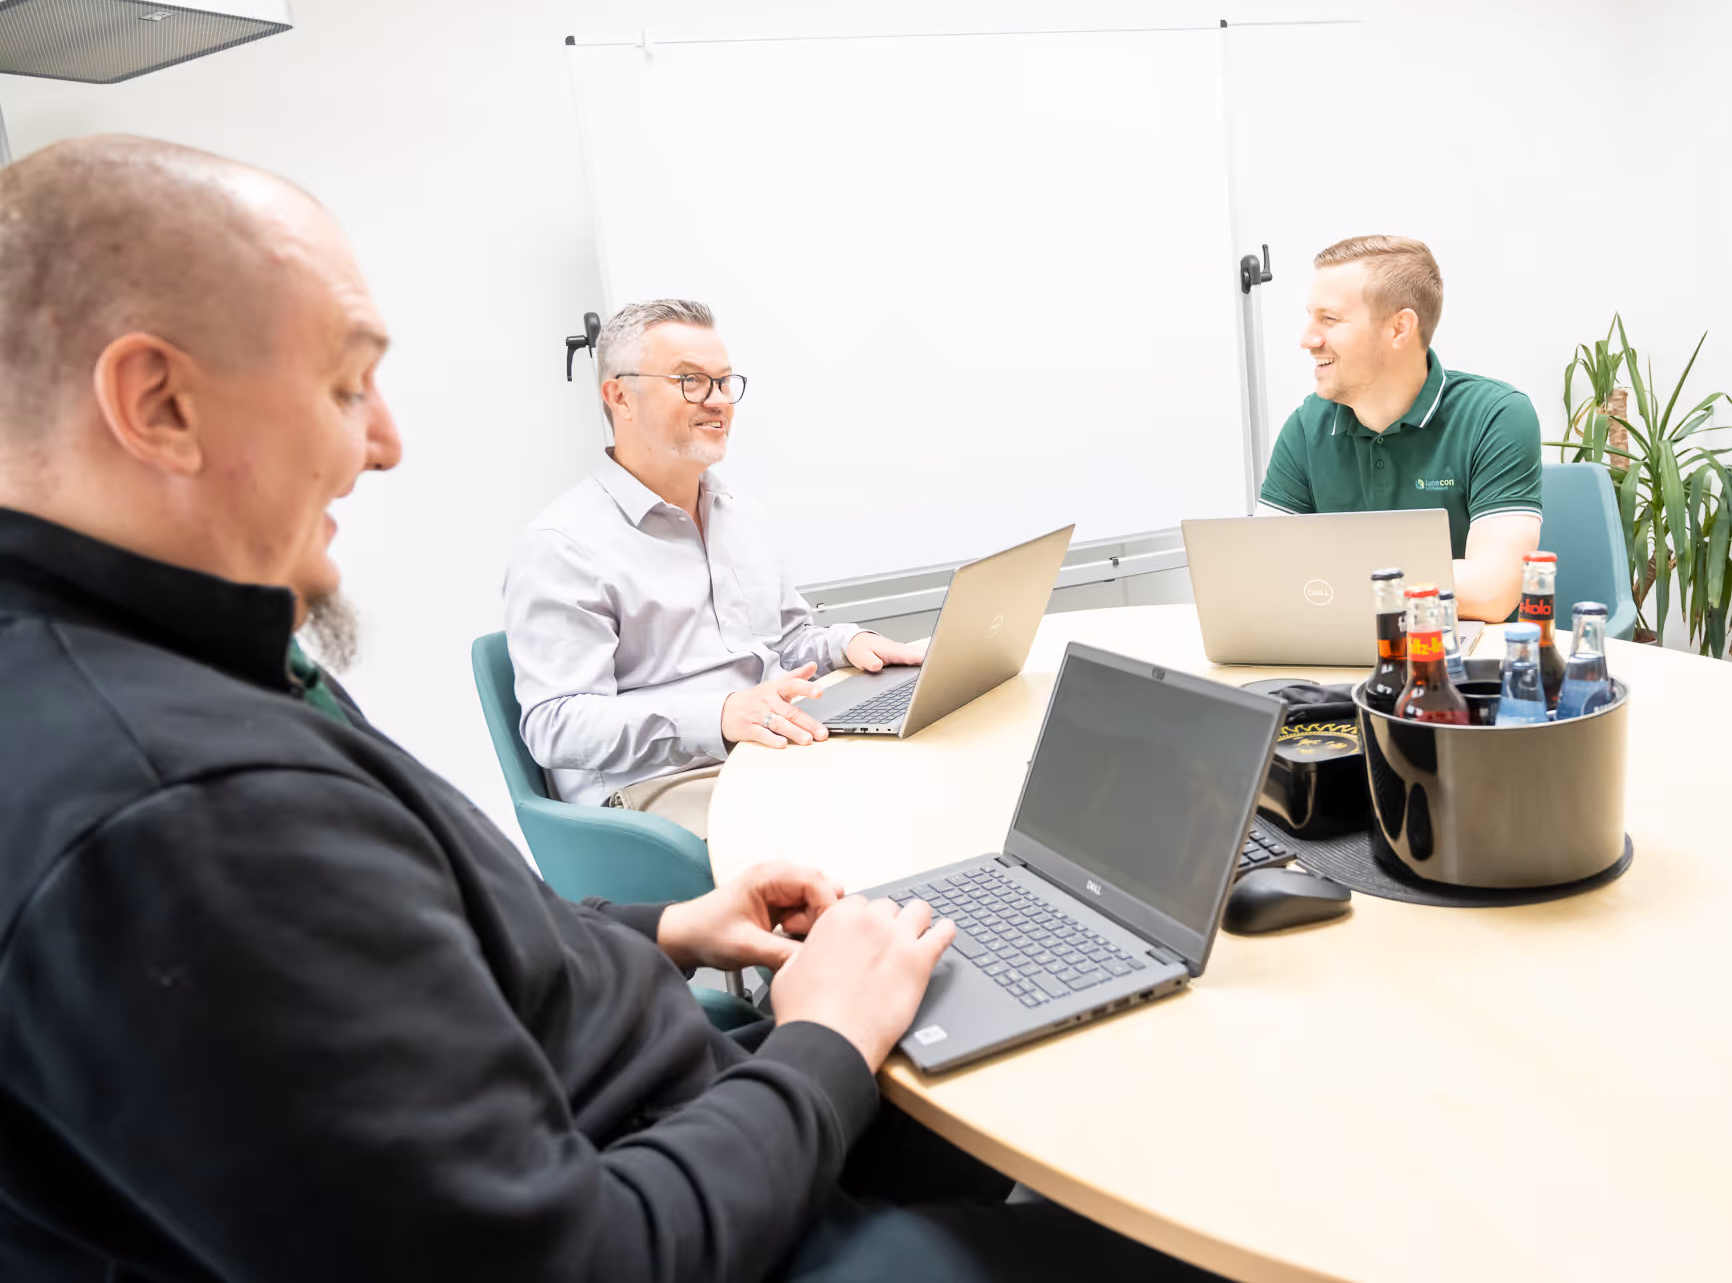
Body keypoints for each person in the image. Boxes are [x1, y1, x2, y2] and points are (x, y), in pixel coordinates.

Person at [0, 135, 1218, 1282]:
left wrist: (670, 925)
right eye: (344, 384)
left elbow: (438, 939)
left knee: (1026, 1017)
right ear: (157, 404)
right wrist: (824, 1046)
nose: (387, 444)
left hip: (673, 1094)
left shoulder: (185, 677)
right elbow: (573, 1256)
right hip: (694, 1197)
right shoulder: (178, 808)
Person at [502, 300, 923, 836]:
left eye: (725, 382)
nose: (718, 401)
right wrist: (719, 715)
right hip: (657, 793)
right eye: (691, 382)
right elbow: (554, 725)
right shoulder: (562, 546)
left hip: (764, 751)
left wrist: (849, 644)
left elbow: (788, 640)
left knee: (921, 789)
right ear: (618, 395)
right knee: (856, 831)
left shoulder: (737, 513)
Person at [1258, 235, 1543, 620]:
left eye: (1329, 319)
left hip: (1463, 665)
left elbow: (1493, 591)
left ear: (1399, 329)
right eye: (1310, 317)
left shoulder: (1496, 415)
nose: (1307, 339)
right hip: (1340, 660)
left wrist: (1326, 580)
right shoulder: (1308, 425)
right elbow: (1259, 575)